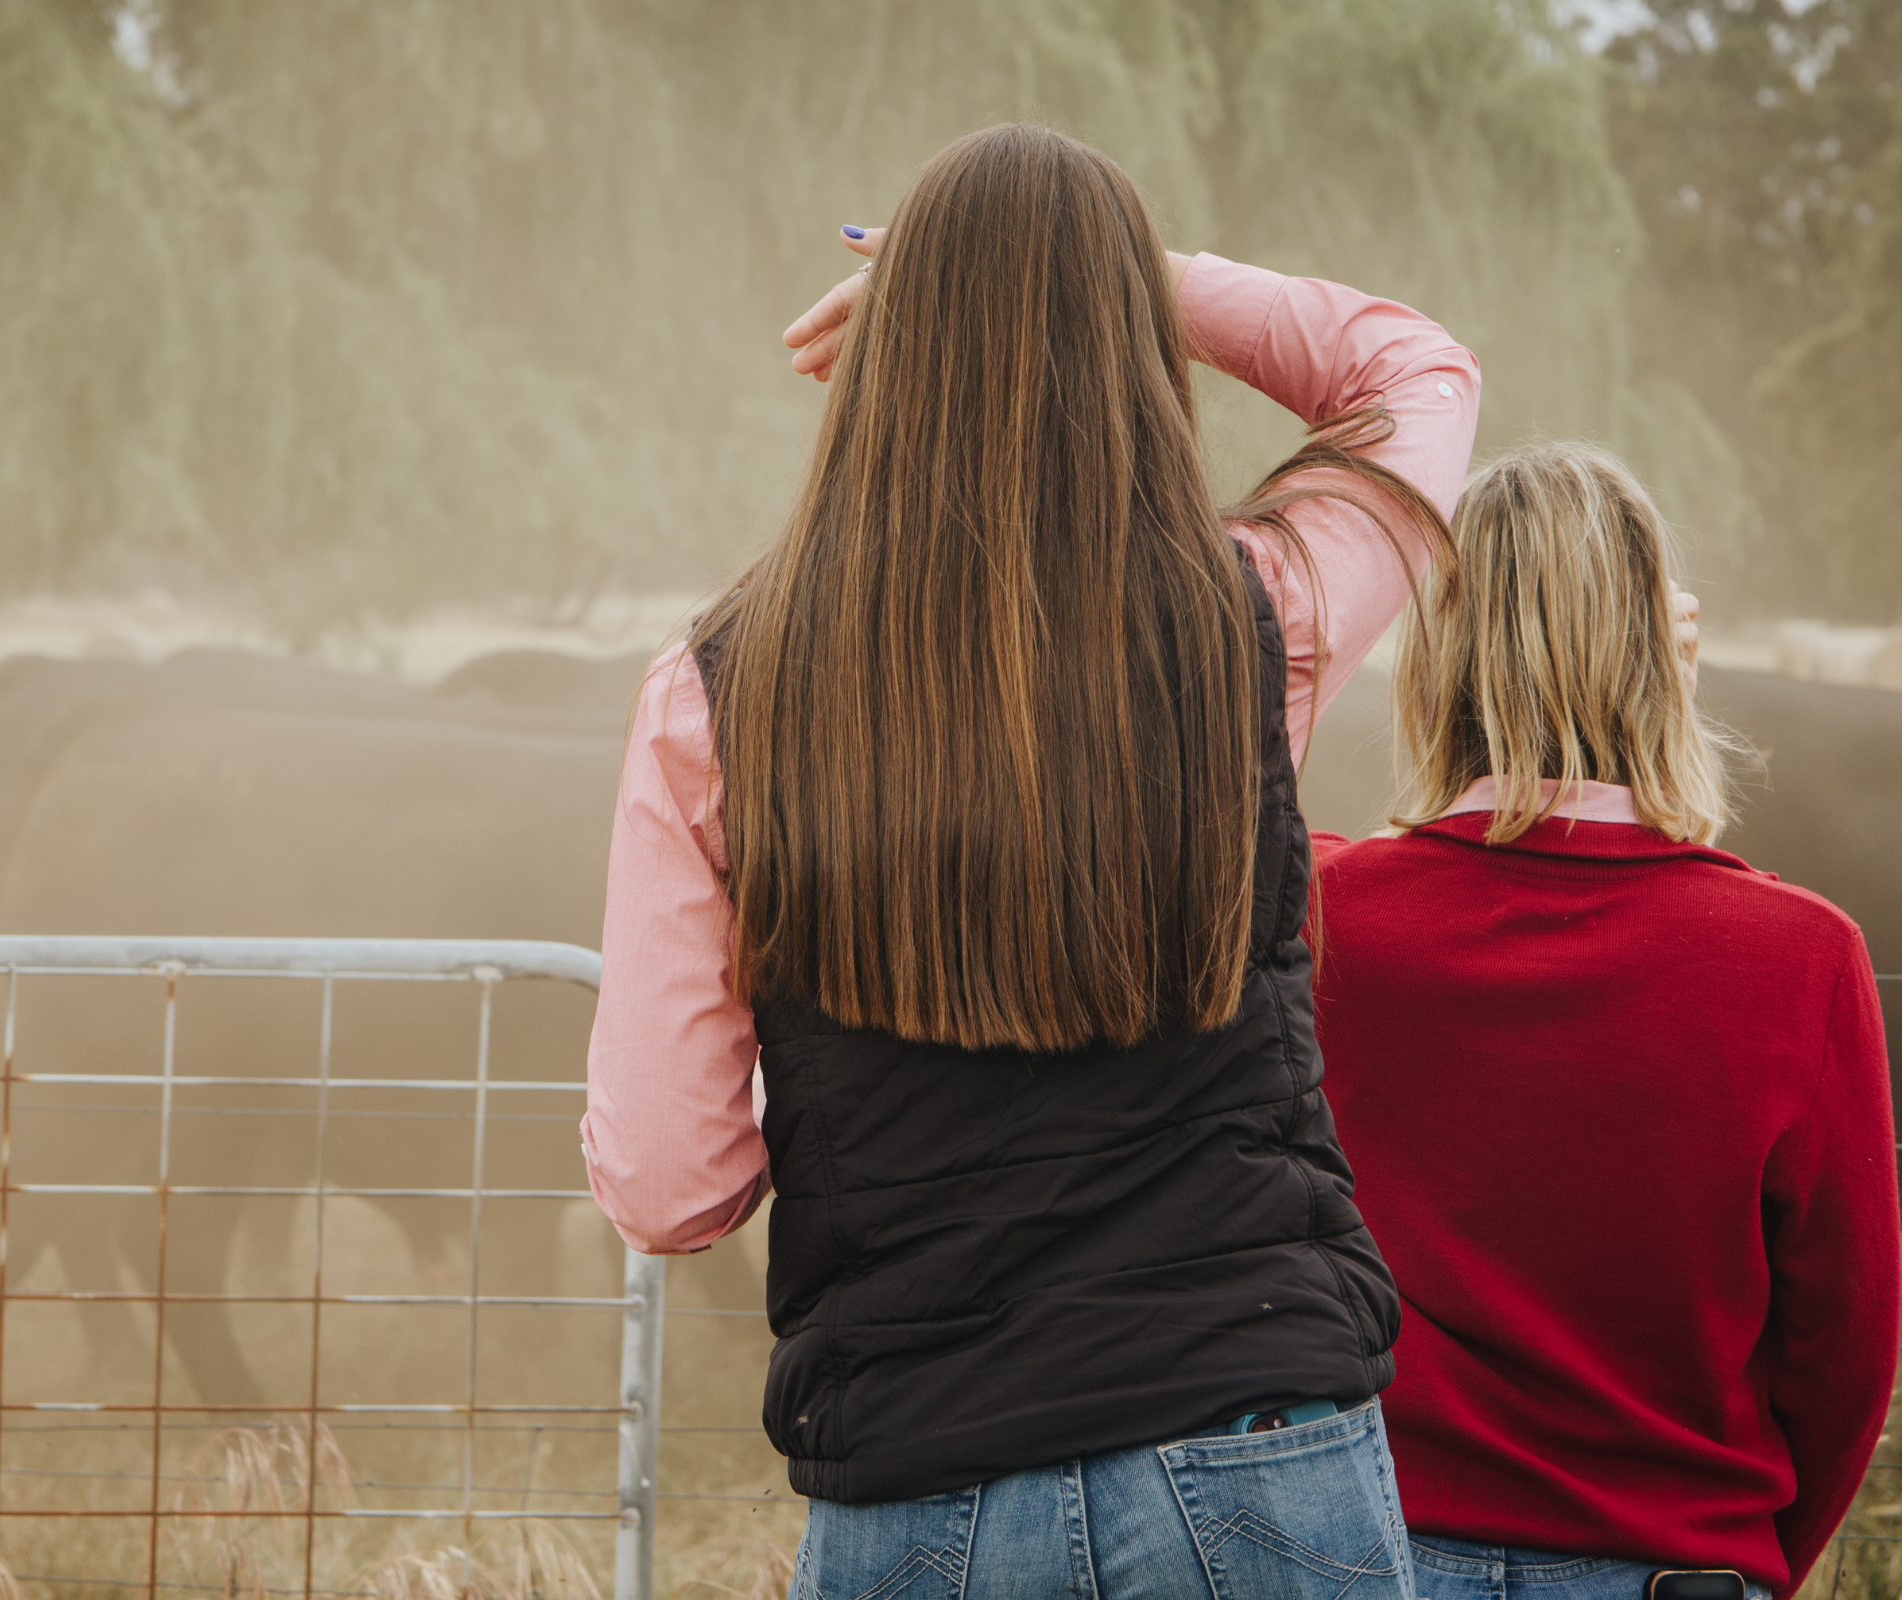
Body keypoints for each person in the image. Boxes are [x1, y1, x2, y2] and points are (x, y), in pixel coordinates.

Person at [580, 123, 1477, 1598]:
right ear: (1131, 341)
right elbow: (1416, 374)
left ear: (888, 356)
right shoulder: (1257, 611)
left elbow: (672, 1187)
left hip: (915, 1475)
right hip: (1253, 1441)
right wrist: (1133, 279)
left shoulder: (710, 697)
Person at [1308, 443, 1899, 1600]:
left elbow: (1239, 767)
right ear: (1663, 660)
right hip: (1672, 1568)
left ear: (1433, 660)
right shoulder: (1803, 957)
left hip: (1370, 1552)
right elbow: (1847, 1351)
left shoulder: (1321, 916)